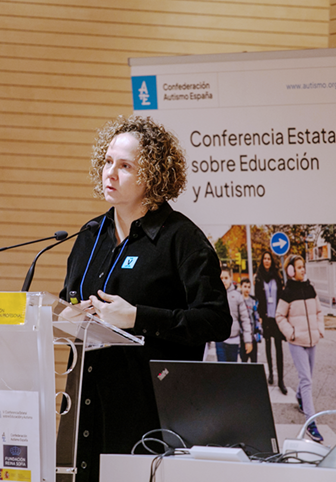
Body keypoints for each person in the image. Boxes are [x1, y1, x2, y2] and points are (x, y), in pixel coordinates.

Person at [59, 115, 233, 482]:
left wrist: (138, 316)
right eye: (107, 162)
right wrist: (70, 313)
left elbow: (215, 320)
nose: (110, 173)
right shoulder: (90, 234)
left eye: (124, 166)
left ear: (152, 174)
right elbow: (67, 299)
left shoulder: (181, 239)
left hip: (150, 417)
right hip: (85, 409)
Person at [275, 254, 325, 443]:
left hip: (312, 341)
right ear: (290, 271)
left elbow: (319, 311)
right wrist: (291, 333)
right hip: (296, 342)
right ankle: (311, 424)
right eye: (299, 267)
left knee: (307, 379)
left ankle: (299, 397)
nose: (303, 270)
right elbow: (279, 316)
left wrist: (320, 329)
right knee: (306, 380)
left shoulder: (310, 288)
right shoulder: (287, 293)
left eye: (303, 266)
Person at [254, 251, 287, 394]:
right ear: (262, 261)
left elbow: (282, 295)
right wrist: (260, 316)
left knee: (279, 348)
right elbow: (258, 298)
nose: (267, 261)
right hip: (266, 317)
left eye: (269, 259)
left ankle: (281, 380)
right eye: (264, 259)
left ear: (271, 261)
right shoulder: (259, 278)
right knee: (268, 346)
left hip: (277, 317)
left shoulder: (277, 277)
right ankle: (271, 374)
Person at [217, 267, 252, 362]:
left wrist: (248, 340)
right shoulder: (215, 296)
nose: (223, 281)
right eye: (221, 278)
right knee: (222, 369)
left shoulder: (237, 296)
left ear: (231, 278)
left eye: (226, 278)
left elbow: (245, 319)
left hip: (234, 339)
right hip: (220, 340)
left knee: (232, 369)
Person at [239, 278, 260, 363]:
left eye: (249, 287)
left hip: (253, 334)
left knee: (254, 360)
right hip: (243, 335)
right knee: (244, 359)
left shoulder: (253, 301)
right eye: (245, 286)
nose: (247, 289)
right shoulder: (239, 300)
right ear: (241, 287)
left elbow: (256, 315)